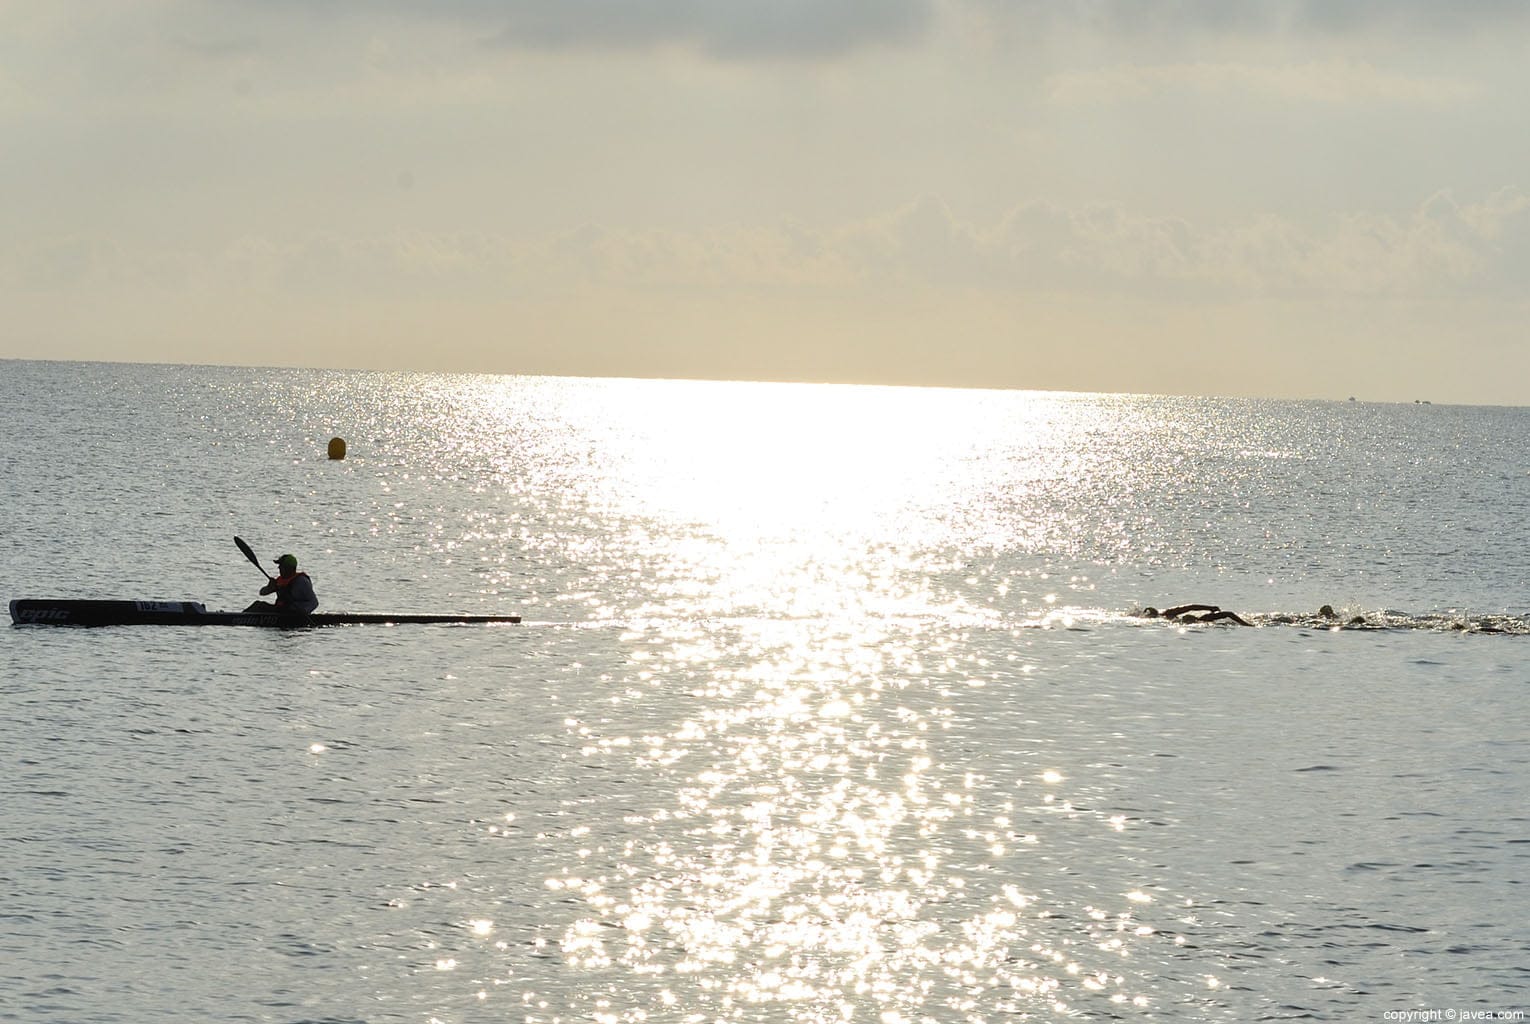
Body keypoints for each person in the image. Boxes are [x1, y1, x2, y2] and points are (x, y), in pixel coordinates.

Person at [244, 553, 319, 615]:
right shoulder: (280, 580)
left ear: (289, 568)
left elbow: (314, 602)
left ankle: (240, 618)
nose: (279, 568)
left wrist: (303, 611)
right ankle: (241, 616)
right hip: (281, 610)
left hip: (294, 613)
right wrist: (270, 587)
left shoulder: (302, 582)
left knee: (259, 606)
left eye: (281, 566)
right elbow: (262, 593)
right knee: (258, 604)